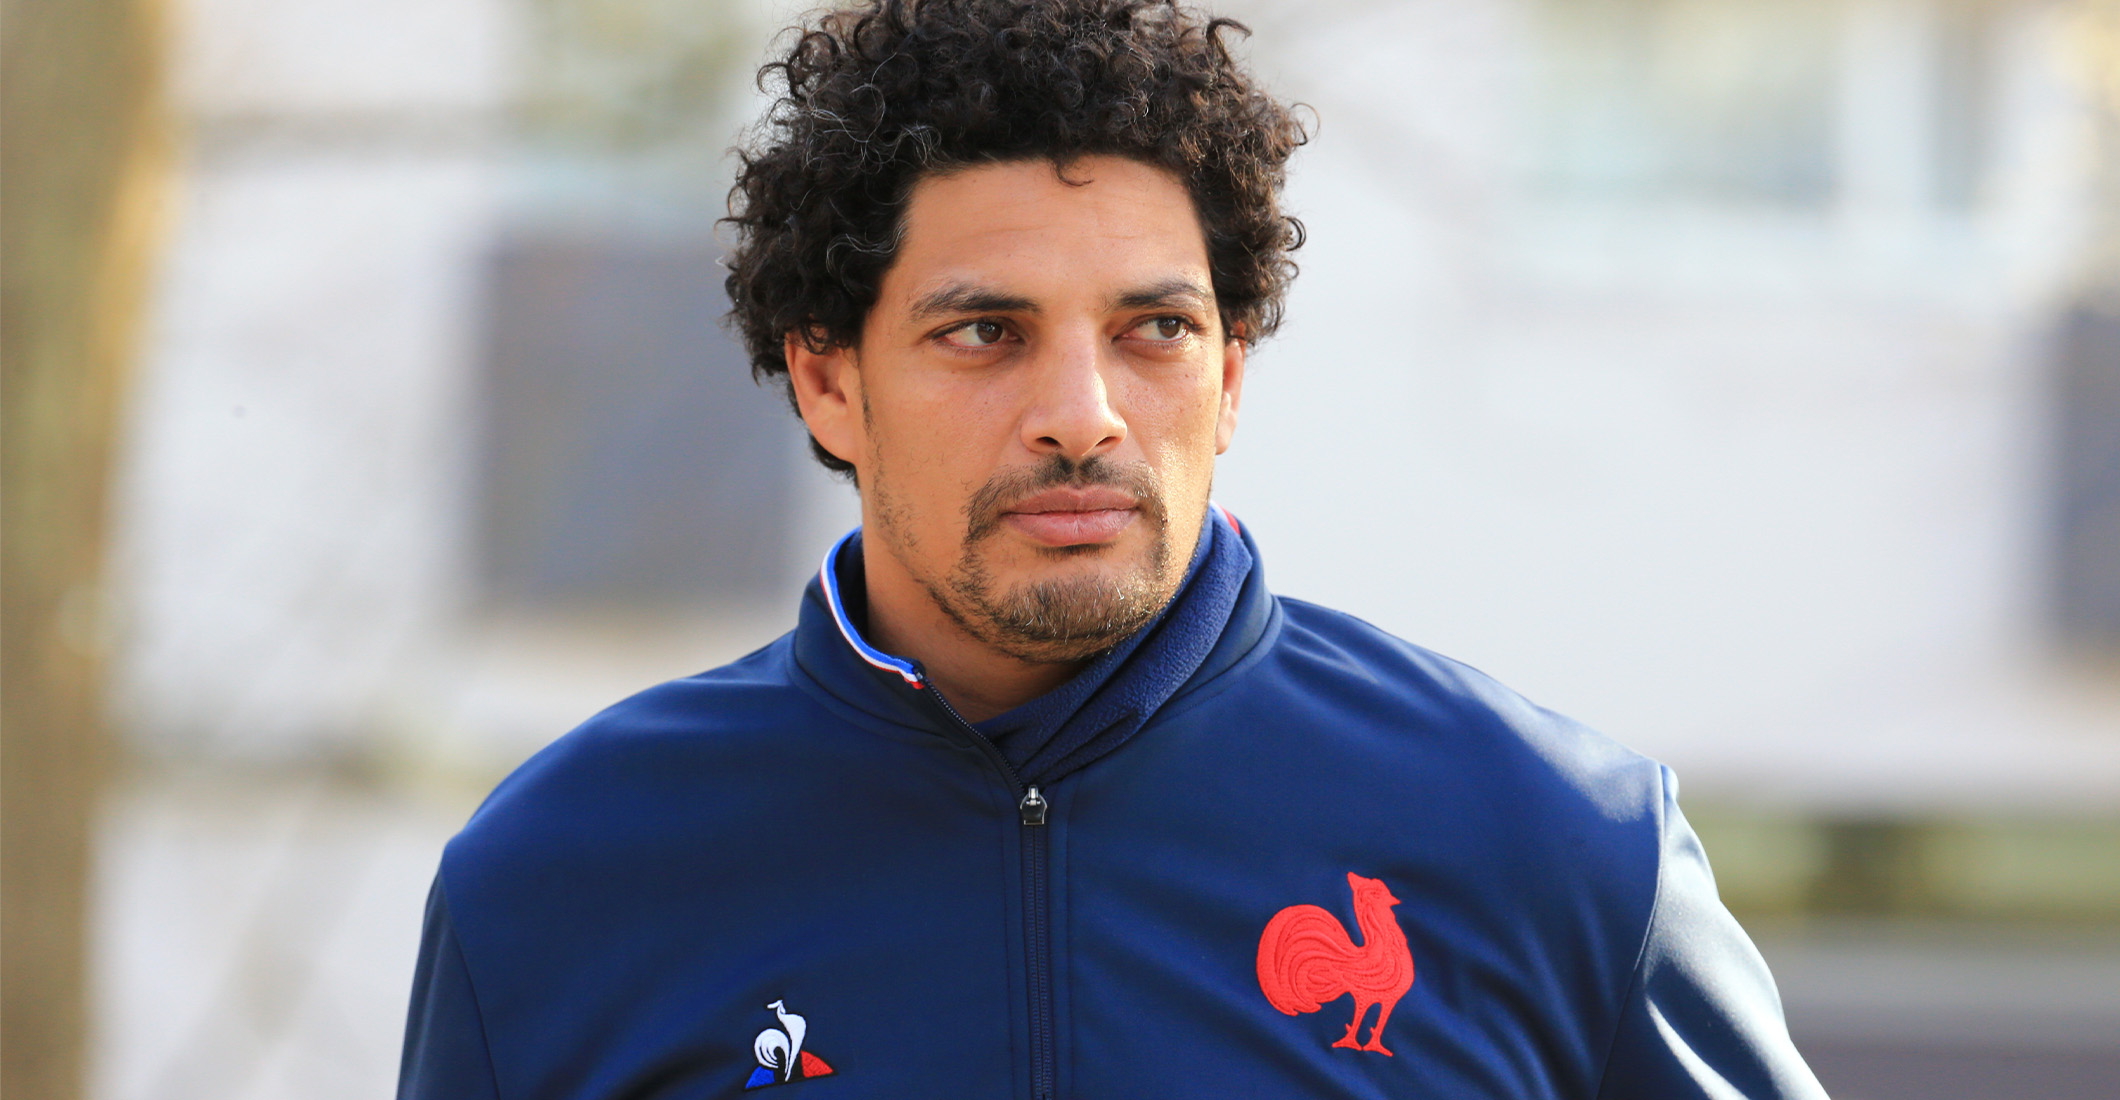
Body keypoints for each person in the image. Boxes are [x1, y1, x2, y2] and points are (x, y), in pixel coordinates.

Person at [398, 1, 1828, 1097]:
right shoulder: (555, 883)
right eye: (985, 332)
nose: (1082, 415)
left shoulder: (1563, 845)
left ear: (1232, 376)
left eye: (1156, 330)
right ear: (829, 378)